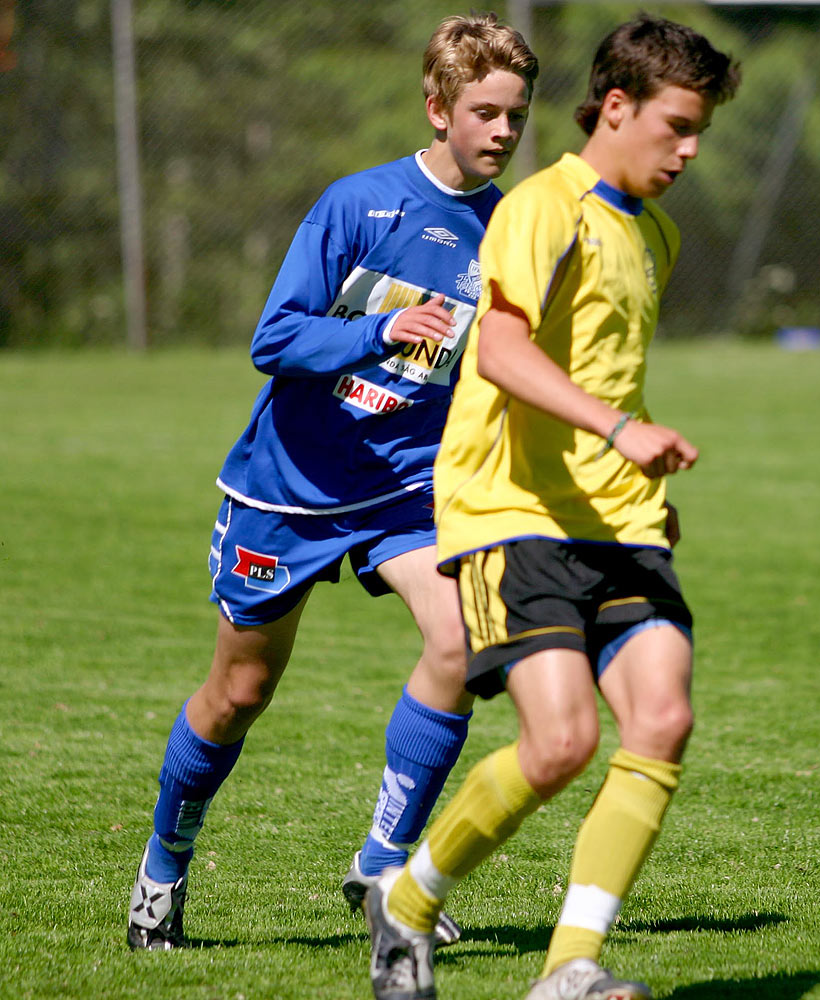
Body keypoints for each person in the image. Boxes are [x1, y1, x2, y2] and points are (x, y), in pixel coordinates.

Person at [126, 14, 539, 951]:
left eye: (516, 114)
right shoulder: (359, 205)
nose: (504, 132)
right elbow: (274, 339)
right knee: (238, 694)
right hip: (290, 489)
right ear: (437, 109)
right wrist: (377, 332)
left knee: (465, 637)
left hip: (405, 486)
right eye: (485, 113)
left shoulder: (507, 224)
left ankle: (384, 866)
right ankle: (162, 867)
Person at [362, 14, 741, 1000]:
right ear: (617, 108)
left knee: (661, 713)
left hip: (616, 521)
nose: (690, 150)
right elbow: (502, 349)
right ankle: (406, 900)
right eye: (677, 126)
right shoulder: (544, 207)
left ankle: (570, 965)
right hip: (510, 512)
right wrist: (619, 433)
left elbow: (607, 370)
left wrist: (640, 469)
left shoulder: (652, 229)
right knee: (561, 743)